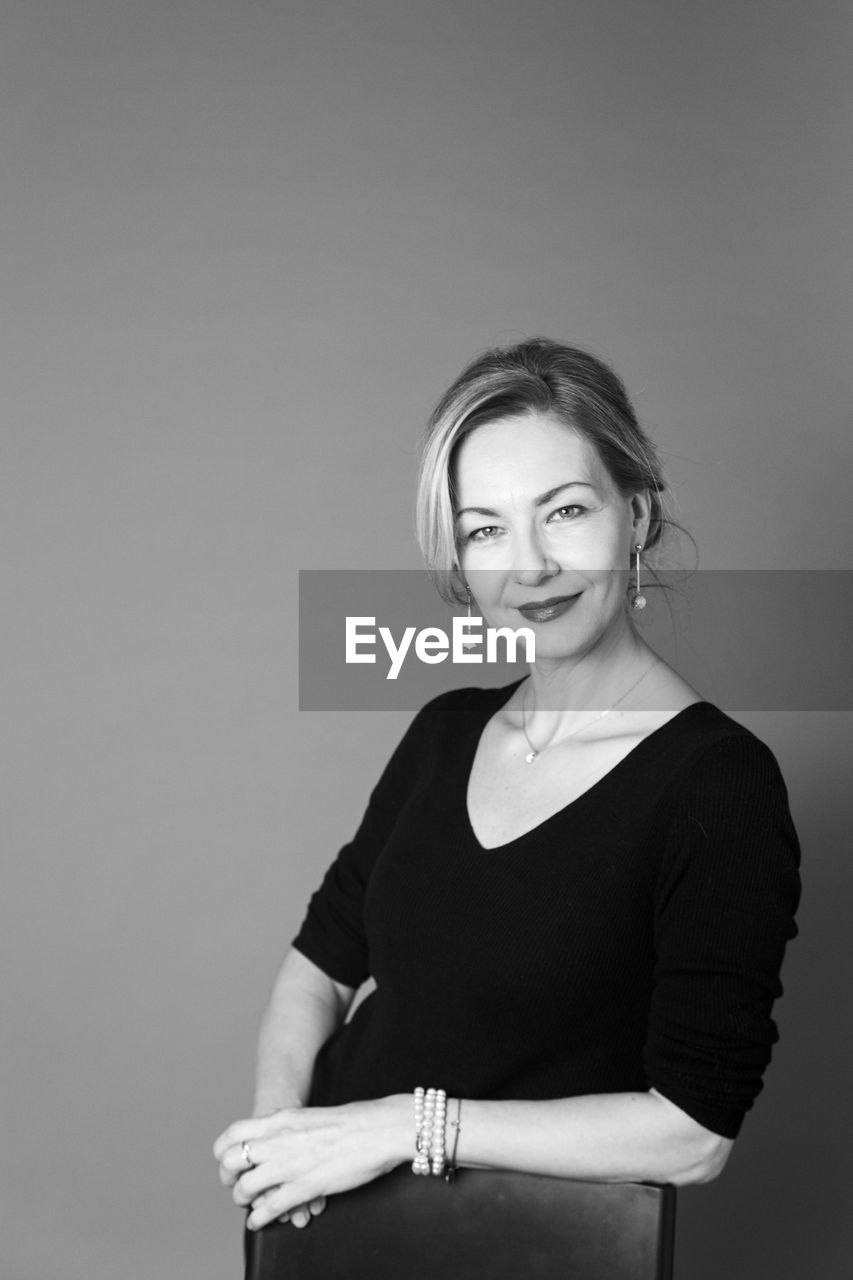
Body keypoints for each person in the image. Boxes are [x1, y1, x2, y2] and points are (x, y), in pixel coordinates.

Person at [213, 338, 801, 1255]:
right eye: (485, 528)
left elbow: (692, 1132)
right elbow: (319, 966)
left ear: (636, 514)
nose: (527, 566)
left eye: (563, 511)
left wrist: (408, 1126)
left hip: (531, 1250)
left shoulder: (719, 784)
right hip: (330, 1230)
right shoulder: (445, 730)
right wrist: (283, 1140)